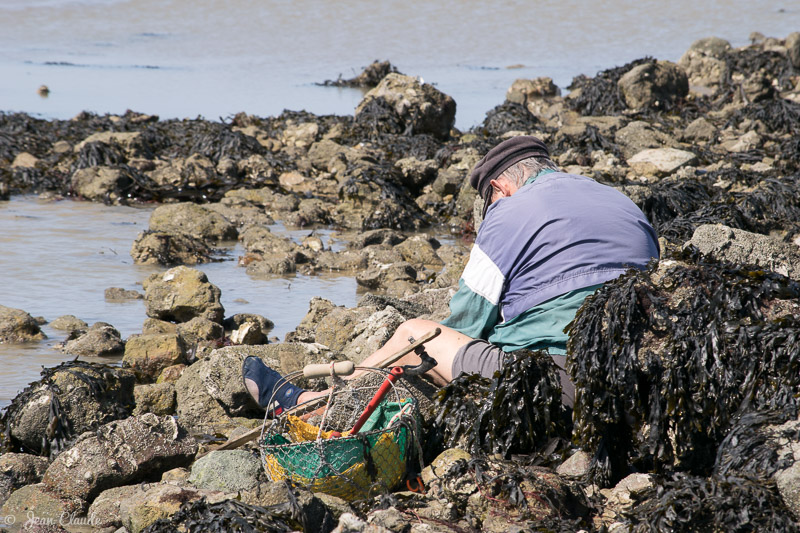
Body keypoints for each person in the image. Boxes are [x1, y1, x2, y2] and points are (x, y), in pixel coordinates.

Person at [243, 136, 659, 414]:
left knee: (412, 336)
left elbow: (465, 322)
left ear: (499, 188)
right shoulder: (619, 201)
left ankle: (311, 405)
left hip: (563, 383)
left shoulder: (510, 211)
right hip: (641, 375)